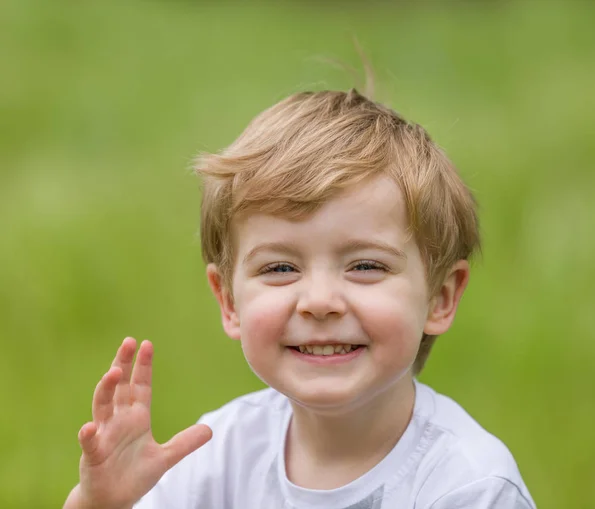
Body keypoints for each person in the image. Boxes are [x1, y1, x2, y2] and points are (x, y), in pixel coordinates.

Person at [64, 89, 536, 509]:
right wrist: (99, 503)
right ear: (229, 302)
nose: (320, 301)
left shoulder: (466, 487)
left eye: (366, 266)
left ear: (441, 297)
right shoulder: (216, 457)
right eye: (281, 269)